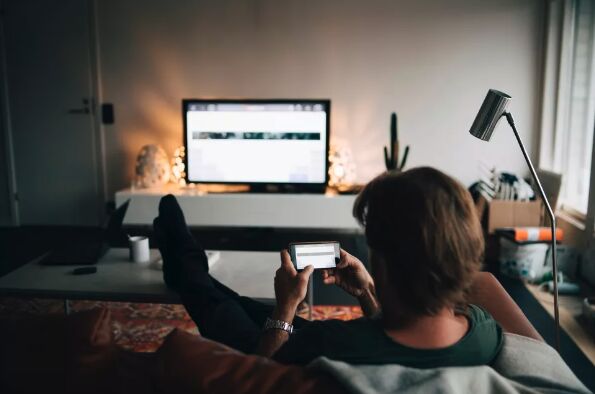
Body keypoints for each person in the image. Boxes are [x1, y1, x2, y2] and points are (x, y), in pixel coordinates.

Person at [153, 166, 541, 367]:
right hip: (328, 334)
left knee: (212, 303)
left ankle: (185, 262)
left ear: (385, 260)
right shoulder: (484, 329)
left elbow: (262, 375)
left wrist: (287, 307)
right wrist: (368, 292)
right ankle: (188, 266)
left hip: (275, 347)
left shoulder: (338, 346)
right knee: (240, 304)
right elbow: (401, 332)